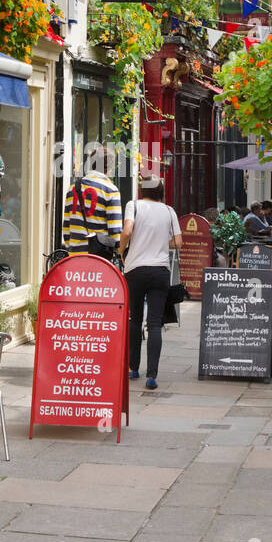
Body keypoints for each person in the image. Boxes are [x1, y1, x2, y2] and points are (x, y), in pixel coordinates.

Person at [120, 175, 182, 389]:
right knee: (155, 323)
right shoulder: (169, 211)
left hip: (135, 269)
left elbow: (127, 231)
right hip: (160, 271)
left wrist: (121, 251)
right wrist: (161, 243)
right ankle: (152, 375)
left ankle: (133, 368)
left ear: (142, 189)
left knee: (135, 319)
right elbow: (179, 242)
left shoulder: (133, 205)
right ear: (161, 191)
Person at [63, 146, 122, 258]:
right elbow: (115, 231)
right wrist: (119, 251)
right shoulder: (110, 190)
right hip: (99, 259)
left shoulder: (73, 189)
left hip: (75, 257)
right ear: (109, 168)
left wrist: (72, 246)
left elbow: (66, 229)